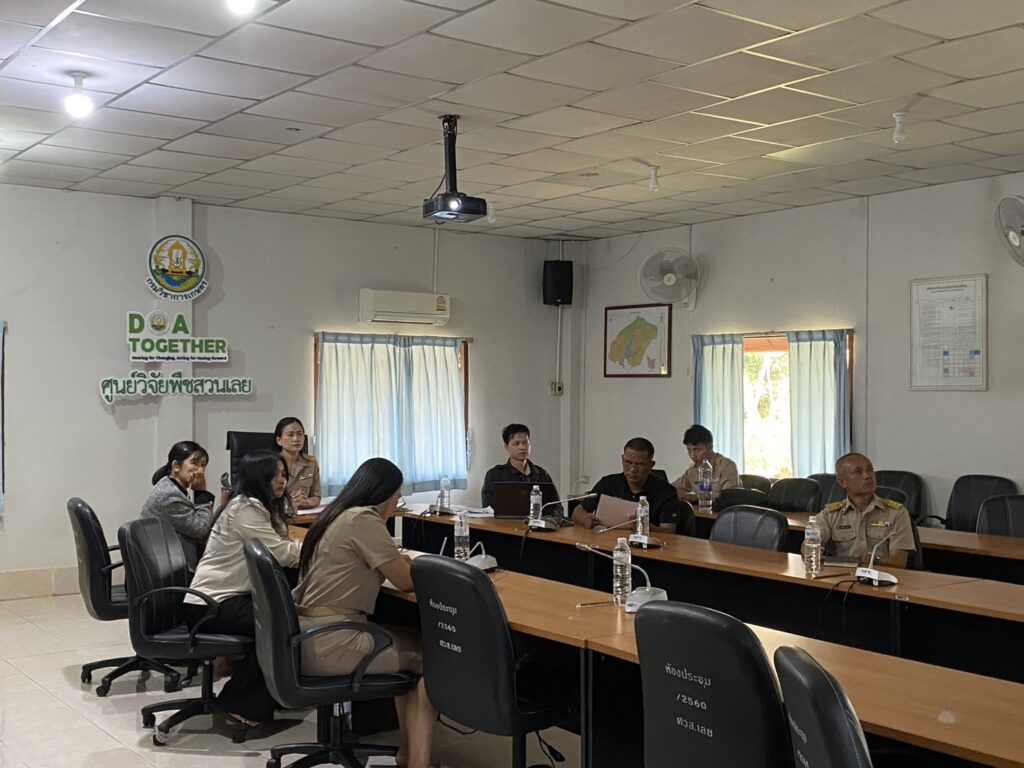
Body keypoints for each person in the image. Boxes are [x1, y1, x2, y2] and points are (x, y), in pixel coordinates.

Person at [294, 458, 437, 768]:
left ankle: (407, 754)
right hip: (333, 641)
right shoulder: (363, 519)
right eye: (397, 495)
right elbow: (405, 581)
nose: (398, 503)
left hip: (309, 634)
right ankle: (418, 761)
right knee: (431, 656)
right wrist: (411, 564)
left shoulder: (339, 514)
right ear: (384, 493)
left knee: (410, 640)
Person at [184, 450, 302, 726]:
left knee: (281, 619)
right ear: (258, 478)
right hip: (211, 603)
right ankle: (241, 703)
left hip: (226, 598)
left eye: (283, 475)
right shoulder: (245, 509)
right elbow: (280, 553)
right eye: (274, 475)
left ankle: (264, 695)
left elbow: (282, 543)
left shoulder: (257, 506)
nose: (281, 481)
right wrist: (312, 546)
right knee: (280, 626)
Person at [573, 437, 692, 535]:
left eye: (639, 464)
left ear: (651, 465)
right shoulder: (607, 484)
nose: (632, 469)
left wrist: (648, 527)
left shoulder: (666, 492)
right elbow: (578, 511)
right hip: (609, 543)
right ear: (622, 459)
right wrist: (585, 519)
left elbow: (669, 531)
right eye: (628, 462)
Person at [817, 452, 916, 568]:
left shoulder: (896, 513)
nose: (867, 476)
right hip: (841, 575)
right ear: (842, 482)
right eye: (858, 472)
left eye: (870, 470)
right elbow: (811, 543)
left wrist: (875, 559)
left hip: (882, 576)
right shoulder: (830, 515)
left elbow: (899, 561)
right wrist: (810, 549)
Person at [141, 440, 215, 567]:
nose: (200, 471)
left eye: (203, 465)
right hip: (168, 569)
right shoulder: (169, 495)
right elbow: (200, 530)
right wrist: (201, 493)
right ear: (176, 466)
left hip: (166, 563)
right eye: (194, 463)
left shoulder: (170, 487)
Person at [480, 423, 560, 511]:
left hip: (539, 519)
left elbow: (556, 506)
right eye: (516, 443)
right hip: (506, 520)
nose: (522, 447)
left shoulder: (542, 474)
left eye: (525, 442)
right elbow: (488, 508)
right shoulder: (495, 475)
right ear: (506, 447)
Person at [672, 424, 740, 505]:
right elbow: (672, 488)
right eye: (689, 450)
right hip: (701, 512)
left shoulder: (727, 466)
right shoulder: (693, 471)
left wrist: (697, 497)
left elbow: (729, 497)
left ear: (710, 447)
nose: (693, 455)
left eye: (697, 450)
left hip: (723, 512)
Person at [275, 416, 321, 510]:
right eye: (290, 435)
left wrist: (306, 502)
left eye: (300, 434)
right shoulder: (271, 464)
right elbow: (263, 498)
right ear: (279, 440)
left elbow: (316, 496)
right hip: (278, 513)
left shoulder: (311, 463)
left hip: (303, 514)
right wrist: (288, 503)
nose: (296, 439)